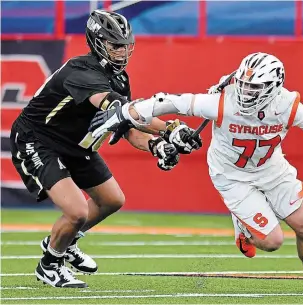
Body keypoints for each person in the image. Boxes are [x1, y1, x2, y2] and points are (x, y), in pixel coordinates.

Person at [89, 52, 303, 293]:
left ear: (274, 87)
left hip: (272, 169)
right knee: (272, 242)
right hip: (231, 174)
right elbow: (173, 101)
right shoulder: (222, 101)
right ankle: (242, 226)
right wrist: (130, 111)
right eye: (244, 84)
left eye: (255, 88)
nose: (247, 91)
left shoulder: (287, 105)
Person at [9, 9, 201, 288]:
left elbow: (126, 127)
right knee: (77, 212)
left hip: (75, 143)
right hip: (39, 139)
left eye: (125, 45)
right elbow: (118, 110)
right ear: (98, 42)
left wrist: (157, 146)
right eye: (115, 45)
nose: (122, 52)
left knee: (112, 200)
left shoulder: (120, 78)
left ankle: (65, 240)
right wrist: (170, 129)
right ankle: (49, 265)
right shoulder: (81, 71)